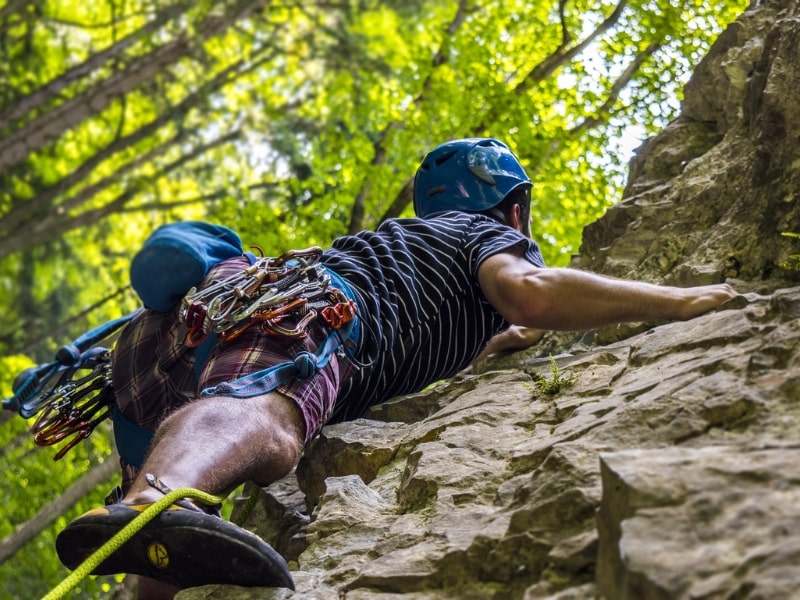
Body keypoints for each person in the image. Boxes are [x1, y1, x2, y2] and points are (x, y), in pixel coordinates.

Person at [55, 138, 738, 598]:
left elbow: (483, 331)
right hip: (309, 309)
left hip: (157, 353)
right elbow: (530, 291)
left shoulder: (417, 255)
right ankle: (150, 502)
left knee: (167, 537)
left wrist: (502, 341)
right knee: (271, 418)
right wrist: (681, 301)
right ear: (514, 208)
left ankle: (147, 535)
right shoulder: (484, 236)